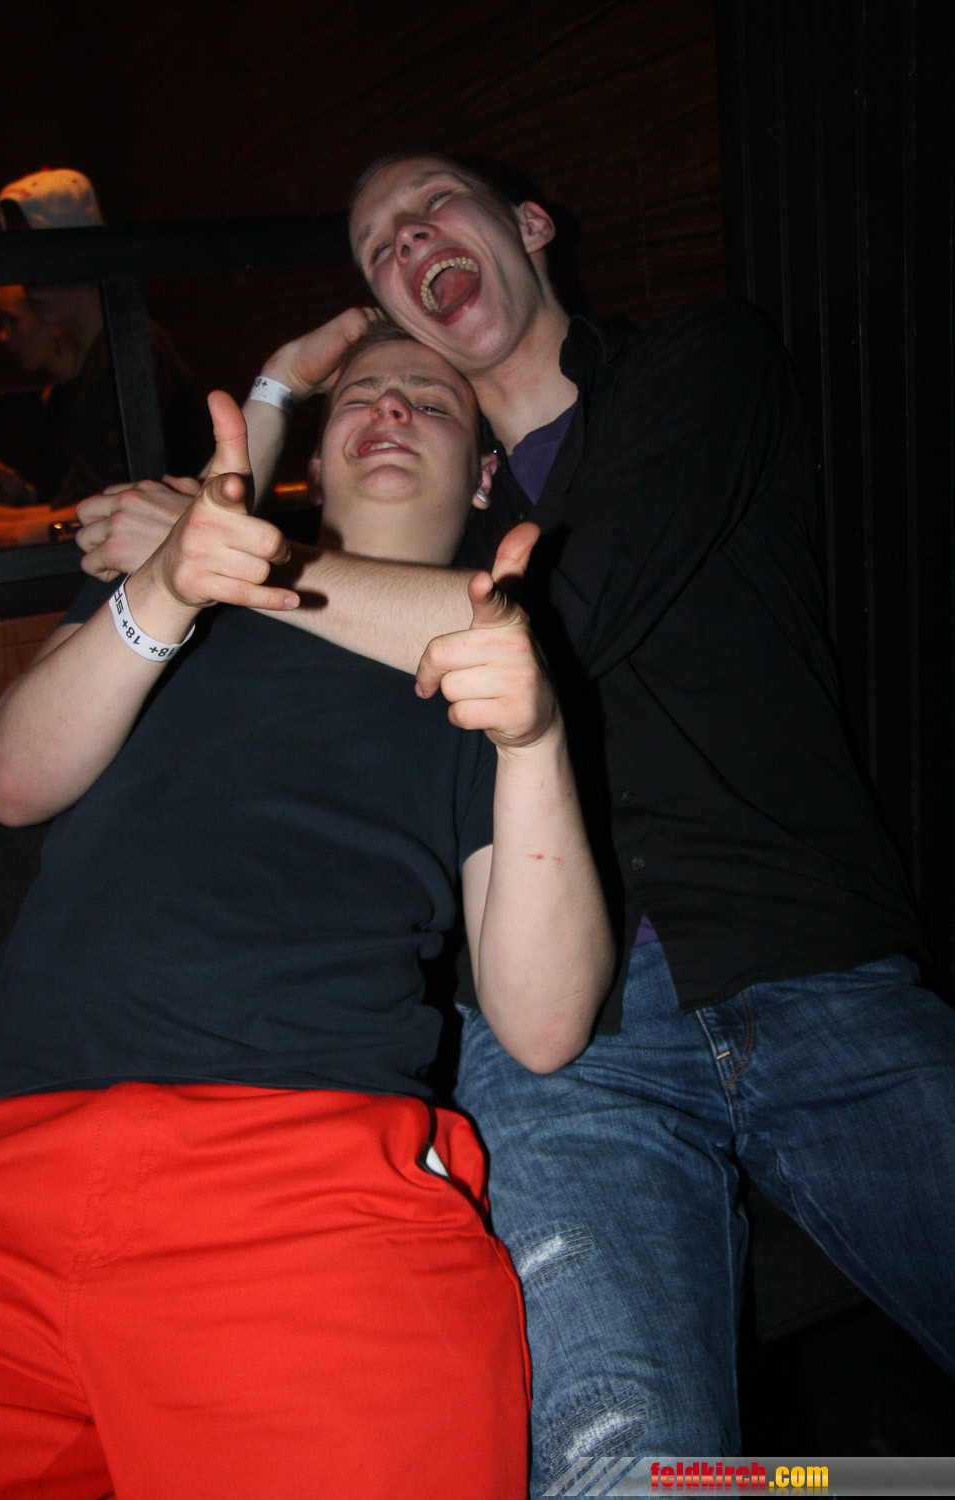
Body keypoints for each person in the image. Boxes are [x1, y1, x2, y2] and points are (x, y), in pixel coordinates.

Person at [74, 154, 955, 1486]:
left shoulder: (695, 366)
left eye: (432, 204)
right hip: (567, 1033)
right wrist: (262, 425)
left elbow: (560, 619)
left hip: (809, 956)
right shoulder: (425, 524)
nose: (406, 239)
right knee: (635, 1472)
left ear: (528, 225)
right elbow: (196, 628)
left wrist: (245, 564)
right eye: (376, 246)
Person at [0, 323, 614, 1500]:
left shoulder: (491, 662)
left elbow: (544, 1024)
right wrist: (172, 571)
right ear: (315, 452)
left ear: (482, 474)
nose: (393, 408)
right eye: (362, 395)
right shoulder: (182, 576)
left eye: (431, 400)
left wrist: (534, 741)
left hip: (304, 1190)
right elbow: (15, 783)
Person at [0, 168, 208, 547]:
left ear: (84, 249)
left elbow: (131, 499)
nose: (28, 278)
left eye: (42, 256)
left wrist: (9, 531)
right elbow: (88, 497)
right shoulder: (97, 354)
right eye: (23, 258)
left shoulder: (133, 350)